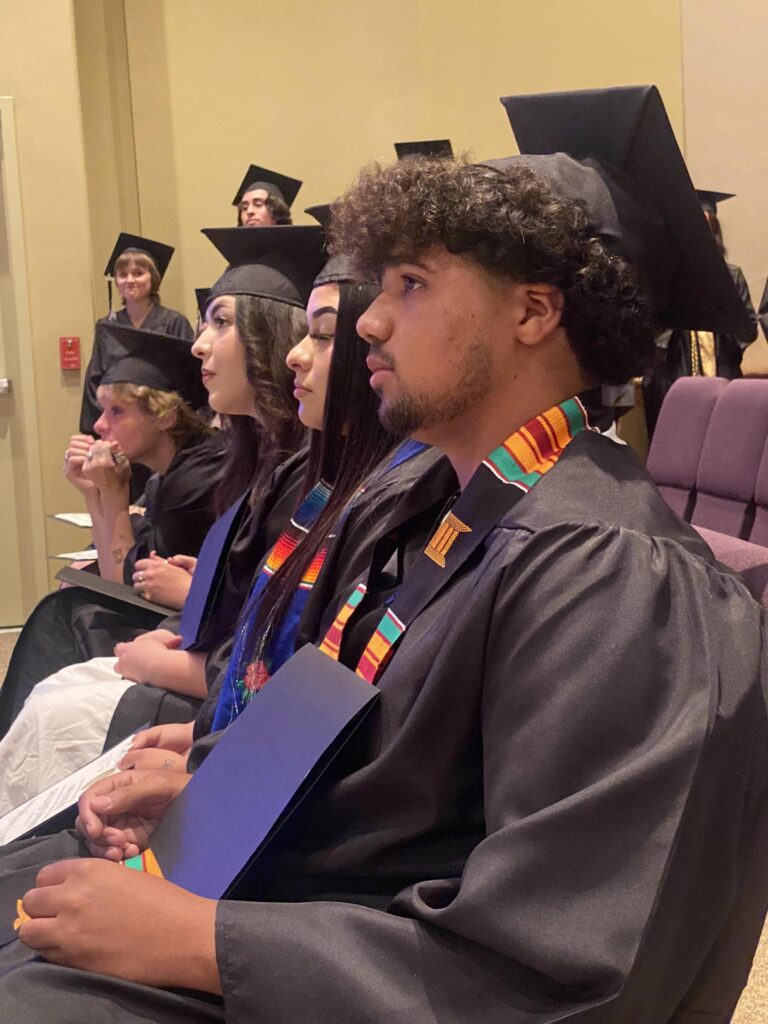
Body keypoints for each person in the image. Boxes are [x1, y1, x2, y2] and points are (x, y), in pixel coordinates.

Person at [2, 86, 766, 1024]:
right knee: (27, 885)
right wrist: (221, 781)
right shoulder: (441, 496)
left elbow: (565, 970)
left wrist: (200, 941)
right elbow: (397, 789)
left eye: (411, 286)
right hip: (315, 916)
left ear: (533, 312)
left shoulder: (611, 574)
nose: (368, 320)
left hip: (368, 979)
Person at [0, 228, 312, 740]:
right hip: (210, 658)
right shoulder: (245, 462)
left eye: (221, 323)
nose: (200, 346)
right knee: (63, 622)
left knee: (64, 637)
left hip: (232, 689)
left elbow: (285, 636)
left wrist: (192, 596)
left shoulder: (223, 473)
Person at [642, 189, 758, 432]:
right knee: (677, 442)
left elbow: (748, 327)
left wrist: (725, 332)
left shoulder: (731, 276)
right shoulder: (665, 273)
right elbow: (650, 323)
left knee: (723, 440)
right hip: (675, 372)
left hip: (721, 369)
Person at [80, 234, 194, 435]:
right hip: (118, 428)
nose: (129, 280)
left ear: (153, 278)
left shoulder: (174, 322)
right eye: (123, 274)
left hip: (162, 427)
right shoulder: (107, 326)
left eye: (138, 273)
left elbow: (187, 378)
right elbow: (94, 381)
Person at [231, 164, 302, 227]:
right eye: (244, 208)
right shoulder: (231, 242)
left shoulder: (297, 242)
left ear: (276, 212)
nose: (249, 211)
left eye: (258, 204)